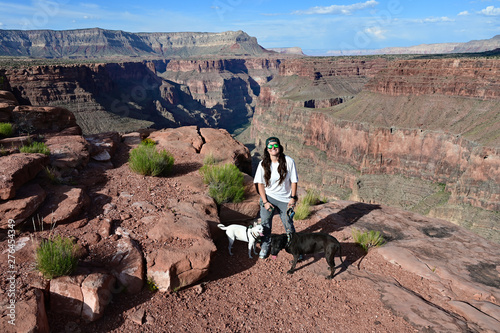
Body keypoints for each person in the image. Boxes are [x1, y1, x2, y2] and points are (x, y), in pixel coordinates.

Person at [254, 136, 299, 259]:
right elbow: (260, 184)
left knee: (288, 224)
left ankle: (294, 247)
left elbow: (294, 181)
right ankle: (265, 245)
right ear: (267, 149)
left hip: (285, 199)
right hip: (268, 197)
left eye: (275, 146)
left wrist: (293, 198)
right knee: (265, 225)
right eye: (270, 146)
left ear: (280, 147)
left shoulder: (289, 161)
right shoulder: (263, 164)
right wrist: (265, 202)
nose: (273, 148)